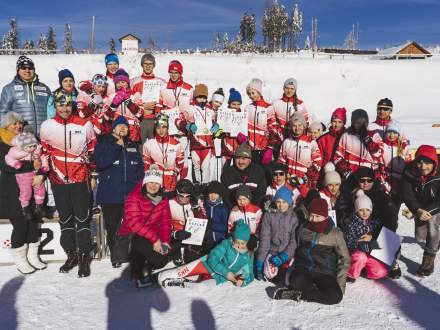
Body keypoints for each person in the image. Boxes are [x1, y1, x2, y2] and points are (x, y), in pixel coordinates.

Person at [40, 93, 97, 277]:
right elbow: (44, 152)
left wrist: (94, 174)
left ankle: (83, 257)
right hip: (57, 180)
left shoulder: (84, 124)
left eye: (67, 105)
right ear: (55, 106)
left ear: (72, 106)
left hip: (79, 178)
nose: (64, 109)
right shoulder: (47, 126)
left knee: (82, 219)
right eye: (60, 105)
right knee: (65, 219)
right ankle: (71, 254)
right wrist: (43, 172)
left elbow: (92, 149)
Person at [273, 198, 350, 305]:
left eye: (318, 216)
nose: (314, 219)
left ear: (325, 216)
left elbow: (345, 259)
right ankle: (303, 291)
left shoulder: (335, 234)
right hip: (304, 269)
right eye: (312, 215)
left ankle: (299, 294)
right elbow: (297, 248)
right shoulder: (303, 229)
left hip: (325, 272)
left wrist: (340, 285)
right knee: (295, 281)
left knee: (335, 296)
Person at [0, 112, 47, 274]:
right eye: (14, 124)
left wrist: (41, 174)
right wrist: (32, 167)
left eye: (20, 123)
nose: (18, 126)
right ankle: (20, 259)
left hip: (33, 189)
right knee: (20, 224)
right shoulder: (2, 143)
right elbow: (7, 166)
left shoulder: (29, 139)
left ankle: (33, 256)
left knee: (34, 221)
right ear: (6, 126)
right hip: (13, 191)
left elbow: (41, 159)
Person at [94, 116, 144, 267]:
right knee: (113, 226)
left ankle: (125, 254)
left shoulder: (133, 146)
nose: (123, 128)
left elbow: (139, 169)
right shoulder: (104, 143)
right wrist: (116, 146)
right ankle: (116, 256)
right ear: (113, 128)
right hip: (110, 194)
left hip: (130, 195)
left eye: (125, 126)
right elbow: (101, 163)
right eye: (119, 126)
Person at [157, 219, 254, 288]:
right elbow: (213, 257)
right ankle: (164, 276)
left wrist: (243, 282)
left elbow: (249, 274)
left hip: (219, 277)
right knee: (169, 275)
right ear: (234, 238)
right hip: (206, 264)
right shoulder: (227, 244)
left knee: (201, 288)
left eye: (242, 243)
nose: (239, 245)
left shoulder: (247, 257)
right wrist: (227, 273)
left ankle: (182, 283)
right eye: (237, 241)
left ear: (247, 242)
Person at [118, 166, 171, 287]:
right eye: (151, 182)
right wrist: (155, 240)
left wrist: (165, 241)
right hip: (133, 235)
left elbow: (166, 222)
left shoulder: (163, 199)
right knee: (140, 244)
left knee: (162, 260)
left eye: (157, 183)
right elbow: (134, 224)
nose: (153, 186)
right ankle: (137, 269)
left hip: (152, 236)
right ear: (145, 183)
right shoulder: (134, 197)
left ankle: (147, 265)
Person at [402, 145, 440, 277]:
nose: (423, 167)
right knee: (420, 236)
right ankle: (434, 242)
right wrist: (417, 210)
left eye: (428, 163)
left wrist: (428, 211)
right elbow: (407, 194)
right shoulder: (409, 171)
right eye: (420, 162)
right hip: (419, 206)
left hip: (436, 206)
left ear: (434, 163)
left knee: (433, 228)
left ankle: (428, 261)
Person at [176, 84, 221, 184]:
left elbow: (217, 123)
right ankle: (197, 186)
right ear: (195, 97)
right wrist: (188, 126)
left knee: (206, 167)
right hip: (195, 144)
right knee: (196, 167)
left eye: (204, 97)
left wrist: (216, 127)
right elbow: (178, 120)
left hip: (207, 145)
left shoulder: (210, 110)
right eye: (200, 97)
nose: (202, 100)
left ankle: (205, 187)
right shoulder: (190, 109)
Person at [256, 187, 299, 282]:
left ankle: (285, 270)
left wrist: (284, 256)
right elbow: (265, 239)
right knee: (269, 274)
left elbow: (294, 241)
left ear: (289, 202)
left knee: (288, 279)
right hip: (273, 252)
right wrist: (260, 260)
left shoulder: (293, 218)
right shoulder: (269, 215)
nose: (281, 205)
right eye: (278, 202)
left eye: (284, 202)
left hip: (287, 253)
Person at [0, 56, 51, 136]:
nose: (27, 70)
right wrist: (7, 135)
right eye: (23, 68)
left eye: (30, 68)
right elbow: (2, 114)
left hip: (44, 136)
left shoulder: (44, 88)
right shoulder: (9, 89)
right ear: (18, 70)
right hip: (20, 138)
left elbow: (52, 111)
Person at [344, 190, 388, 281]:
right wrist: (359, 244)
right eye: (361, 210)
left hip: (371, 253)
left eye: (368, 210)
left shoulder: (375, 222)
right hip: (357, 253)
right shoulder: (352, 223)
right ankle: (351, 274)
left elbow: (382, 238)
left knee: (381, 272)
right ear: (356, 210)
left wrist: (372, 239)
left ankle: (364, 270)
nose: (365, 213)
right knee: (361, 257)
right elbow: (349, 242)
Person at [5, 131, 48, 219]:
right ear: (23, 147)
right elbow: (8, 159)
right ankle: (25, 208)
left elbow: (43, 158)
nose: (32, 148)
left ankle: (39, 206)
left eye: (34, 145)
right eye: (29, 146)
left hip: (35, 174)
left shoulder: (37, 152)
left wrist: (44, 167)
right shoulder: (16, 153)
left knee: (40, 188)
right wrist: (16, 164)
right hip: (23, 176)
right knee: (26, 191)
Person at [278, 113, 322, 191]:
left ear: (304, 126)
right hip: (289, 182)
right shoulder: (286, 142)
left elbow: (317, 163)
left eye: (300, 125)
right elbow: (281, 161)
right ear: (291, 127)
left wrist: (304, 178)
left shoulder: (311, 143)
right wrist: (285, 174)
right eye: (294, 125)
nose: (297, 128)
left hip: (305, 183)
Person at [334, 109, 383, 179]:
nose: (361, 125)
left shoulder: (374, 135)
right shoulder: (347, 135)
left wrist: (367, 140)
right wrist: (346, 171)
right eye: (358, 122)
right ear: (353, 122)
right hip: (352, 175)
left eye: (364, 122)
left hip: (369, 176)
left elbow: (379, 154)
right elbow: (337, 157)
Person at [143, 113, 184, 194]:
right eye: (158, 128)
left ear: (167, 127)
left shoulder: (176, 144)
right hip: (155, 185)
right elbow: (146, 167)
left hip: (171, 184)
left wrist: (172, 174)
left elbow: (180, 165)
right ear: (155, 128)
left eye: (164, 127)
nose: (161, 131)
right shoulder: (148, 144)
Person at [168, 179, 208, 265]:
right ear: (177, 193)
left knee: (192, 257)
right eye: (181, 196)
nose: (184, 199)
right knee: (174, 258)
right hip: (175, 237)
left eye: (187, 196)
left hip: (192, 238)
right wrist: (174, 233)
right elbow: (162, 225)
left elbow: (203, 219)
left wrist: (199, 208)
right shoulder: (169, 203)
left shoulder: (194, 204)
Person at [131, 53, 166, 143]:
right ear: (142, 65)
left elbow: (165, 100)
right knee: (141, 147)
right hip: (141, 119)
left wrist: (158, 108)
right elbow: (131, 101)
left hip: (155, 119)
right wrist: (144, 106)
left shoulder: (161, 82)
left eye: (150, 64)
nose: (148, 66)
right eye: (145, 64)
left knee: (155, 147)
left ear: (154, 65)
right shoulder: (134, 81)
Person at [220, 143, 267, 208]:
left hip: (254, 209)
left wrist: (251, 207)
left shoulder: (258, 171)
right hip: (234, 209)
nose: (240, 162)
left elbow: (261, 193)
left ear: (250, 160)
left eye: (243, 159)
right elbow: (226, 196)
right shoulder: (227, 173)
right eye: (238, 158)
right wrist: (234, 207)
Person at [245, 78, 277, 164]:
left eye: (253, 93)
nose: (251, 96)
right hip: (249, 148)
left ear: (259, 92)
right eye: (249, 94)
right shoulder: (248, 108)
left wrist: (270, 149)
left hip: (263, 148)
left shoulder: (268, 107)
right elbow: (244, 127)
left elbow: (273, 129)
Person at [108, 69, 143, 143]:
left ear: (127, 83)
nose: (120, 84)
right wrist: (114, 104)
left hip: (133, 132)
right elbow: (107, 117)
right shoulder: (111, 97)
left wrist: (128, 101)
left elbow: (140, 114)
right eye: (118, 82)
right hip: (117, 131)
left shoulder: (135, 95)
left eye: (123, 82)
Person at [272, 78, 311, 143]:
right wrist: (277, 132)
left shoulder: (300, 104)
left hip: (294, 140)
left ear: (295, 90)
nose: (289, 91)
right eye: (287, 88)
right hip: (278, 139)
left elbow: (306, 123)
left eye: (292, 89)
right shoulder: (276, 103)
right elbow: (271, 121)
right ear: (283, 88)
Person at [381, 124, 411, 206]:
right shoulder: (382, 146)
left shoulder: (403, 147)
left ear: (398, 134)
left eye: (394, 133)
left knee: (396, 205)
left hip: (399, 182)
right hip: (384, 180)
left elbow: (409, 163)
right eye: (389, 132)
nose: (392, 135)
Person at [227, 185, 262, 252]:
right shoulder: (234, 212)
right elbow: (230, 228)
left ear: (249, 198)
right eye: (239, 199)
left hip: (252, 239)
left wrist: (256, 237)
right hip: (239, 241)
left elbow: (259, 227)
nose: (242, 202)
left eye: (244, 199)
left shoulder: (256, 211)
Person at [203, 181, 229, 251]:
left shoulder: (223, 208)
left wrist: (212, 225)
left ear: (219, 195)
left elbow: (226, 227)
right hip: (206, 239)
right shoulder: (204, 206)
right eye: (211, 193)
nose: (213, 196)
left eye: (216, 194)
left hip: (219, 239)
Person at [220, 88, 243, 163]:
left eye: (238, 104)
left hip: (238, 150)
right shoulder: (223, 114)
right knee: (225, 171)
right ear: (229, 104)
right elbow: (217, 133)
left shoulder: (243, 116)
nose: (236, 106)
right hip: (226, 150)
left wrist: (243, 138)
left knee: (237, 173)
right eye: (233, 104)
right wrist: (220, 132)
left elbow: (246, 133)